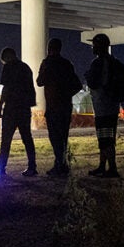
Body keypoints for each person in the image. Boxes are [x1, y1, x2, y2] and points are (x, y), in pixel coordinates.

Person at [36, 38, 82, 177]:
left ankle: (59, 164)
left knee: (55, 136)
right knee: (63, 136)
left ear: (49, 48)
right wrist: (66, 94)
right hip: (65, 106)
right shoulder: (67, 64)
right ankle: (63, 164)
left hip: (53, 106)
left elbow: (39, 82)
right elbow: (78, 85)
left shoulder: (47, 63)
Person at [0, 47, 37, 180]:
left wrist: (0, 106)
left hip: (11, 107)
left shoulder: (9, 67)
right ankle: (32, 167)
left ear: (7, 57)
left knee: (6, 139)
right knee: (27, 137)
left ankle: (1, 167)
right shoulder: (25, 67)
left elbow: (6, 88)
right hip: (24, 107)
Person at [84, 34, 122, 179]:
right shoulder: (113, 61)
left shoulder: (99, 63)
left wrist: (88, 76)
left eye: (94, 45)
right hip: (112, 106)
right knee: (107, 137)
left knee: (105, 139)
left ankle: (111, 168)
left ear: (100, 46)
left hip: (103, 107)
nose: (92, 47)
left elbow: (94, 82)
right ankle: (103, 166)